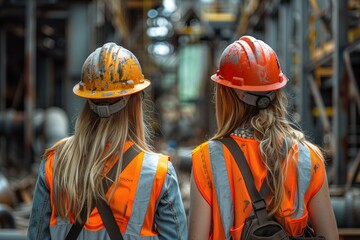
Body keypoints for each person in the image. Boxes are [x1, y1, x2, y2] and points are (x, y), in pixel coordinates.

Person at [27, 42, 187, 240]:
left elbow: (36, 235)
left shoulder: (55, 163)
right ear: (136, 100)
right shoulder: (158, 172)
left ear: (87, 99)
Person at [188, 36, 338, 240]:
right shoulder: (308, 157)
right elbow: (330, 236)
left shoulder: (207, 159)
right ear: (277, 92)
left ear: (226, 96)